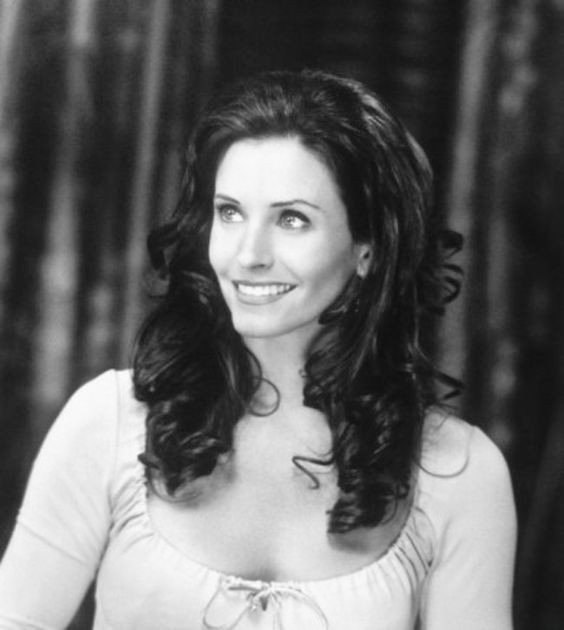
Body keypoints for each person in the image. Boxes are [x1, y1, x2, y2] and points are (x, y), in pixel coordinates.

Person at [0, 69, 516, 630]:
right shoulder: (109, 423)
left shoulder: (460, 474)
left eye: (292, 219)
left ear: (367, 249)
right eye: (229, 212)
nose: (248, 255)